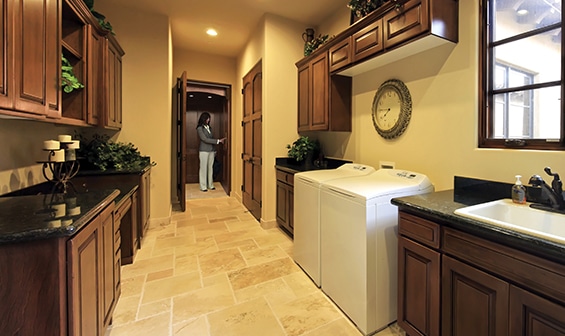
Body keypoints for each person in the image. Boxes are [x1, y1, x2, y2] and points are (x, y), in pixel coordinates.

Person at [196, 112, 225, 192]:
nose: (209, 120)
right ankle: (203, 186)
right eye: (207, 118)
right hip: (204, 151)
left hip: (211, 151)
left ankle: (210, 184)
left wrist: (214, 149)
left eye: (209, 118)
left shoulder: (209, 128)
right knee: (203, 168)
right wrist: (218, 141)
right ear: (204, 119)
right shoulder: (199, 128)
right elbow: (204, 139)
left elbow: (210, 138)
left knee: (210, 168)